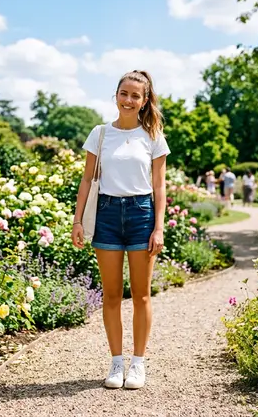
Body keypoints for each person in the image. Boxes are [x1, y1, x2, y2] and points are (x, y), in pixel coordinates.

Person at [71, 70, 170, 390]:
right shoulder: (100, 133)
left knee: (141, 296)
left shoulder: (153, 136)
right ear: (116, 95)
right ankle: (116, 363)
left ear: (144, 101)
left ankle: (138, 364)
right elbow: (86, 180)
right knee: (111, 296)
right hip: (108, 216)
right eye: (124, 93)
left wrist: (159, 227)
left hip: (141, 215)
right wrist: (77, 222)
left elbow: (159, 186)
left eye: (135, 96)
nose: (128, 100)